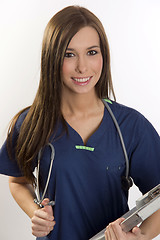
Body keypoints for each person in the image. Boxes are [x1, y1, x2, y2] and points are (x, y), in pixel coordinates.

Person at [0, 5, 160, 240]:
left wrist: (142, 236)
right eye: (69, 54)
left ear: (103, 54)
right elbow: (18, 181)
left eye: (92, 52)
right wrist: (35, 213)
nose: (82, 67)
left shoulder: (131, 126)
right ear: (52, 58)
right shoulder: (32, 123)